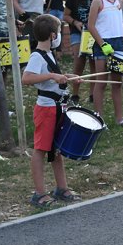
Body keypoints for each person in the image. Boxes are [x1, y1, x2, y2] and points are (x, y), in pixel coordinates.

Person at [22, 14, 81, 207]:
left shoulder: (48, 55)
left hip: (57, 108)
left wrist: (68, 77)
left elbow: (52, 78)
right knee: (40, 150)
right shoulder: (36, 56)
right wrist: (51, 75)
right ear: (52, 35)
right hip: (46, 109)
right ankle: (39, 193)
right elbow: (27, 79)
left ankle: (61, 188)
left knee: (56, 150)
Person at [87, 0, 123, 128]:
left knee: (117, 82)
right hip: (103, 44)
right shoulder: (98, 0)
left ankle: (120, 118)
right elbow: (91, 26)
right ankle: (99, 119)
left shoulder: (119, 0)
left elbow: (119, 23)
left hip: (119, 42)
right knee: (101, 82)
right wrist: (102, 44)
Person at [64, 0, 99, 104]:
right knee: (79, 62)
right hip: (78, 33)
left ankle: (92, 94)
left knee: (93, 63)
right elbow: (66, 15)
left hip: (94, 33)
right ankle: (75, 94)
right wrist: (75, 22)